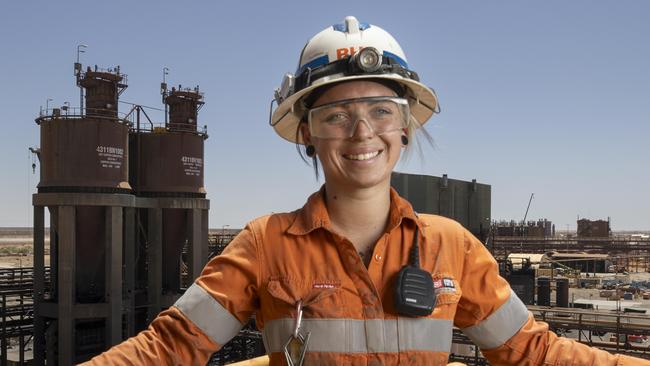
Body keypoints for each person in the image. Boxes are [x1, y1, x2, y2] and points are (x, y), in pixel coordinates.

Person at [83, 16, 648, 366]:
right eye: (336, 115)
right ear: (305, 132)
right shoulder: (265, 245)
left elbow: (534, 353)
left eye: (382, 111)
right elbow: (169, 348)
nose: (361, 133)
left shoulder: (451, 247)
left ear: (406, 127)